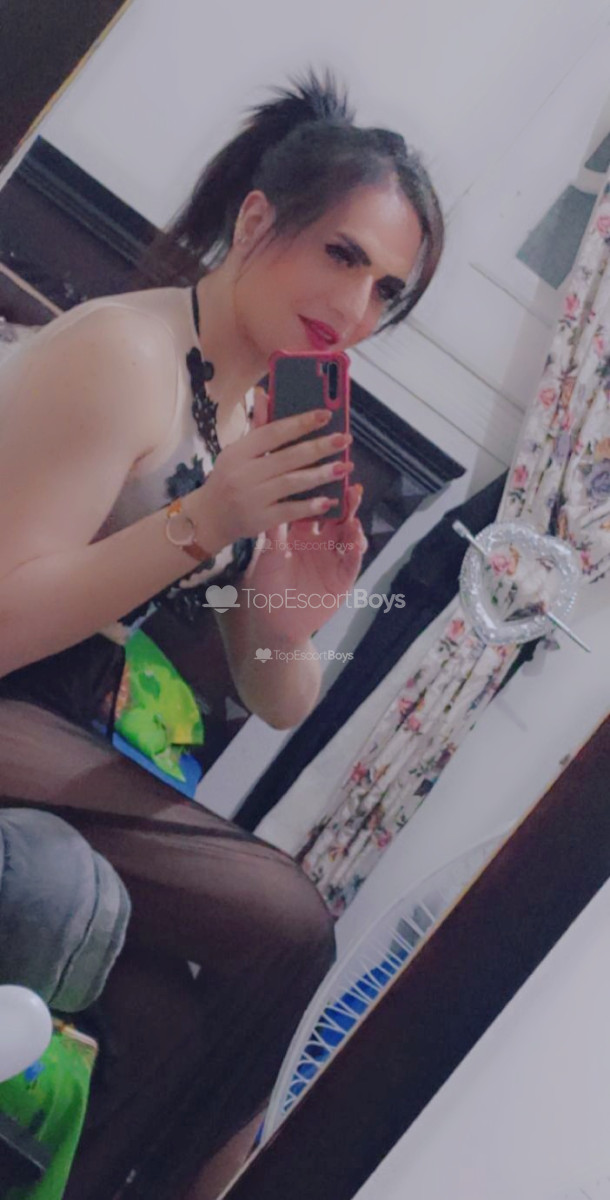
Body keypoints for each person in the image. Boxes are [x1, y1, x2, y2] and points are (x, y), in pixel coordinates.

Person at [0, 67, 444, 1199]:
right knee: (289, 922)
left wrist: (291, 612)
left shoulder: (252, 417)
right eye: (341, 254)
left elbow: (277, 696)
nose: (356, 308)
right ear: (255, 220)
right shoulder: (124, 355)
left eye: (386, 290)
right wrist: (207, 519)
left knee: (166, 1029)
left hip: (56, 713)